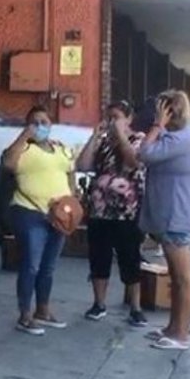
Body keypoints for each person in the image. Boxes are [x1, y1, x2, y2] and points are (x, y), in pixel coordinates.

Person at [137, 90, 190, 351]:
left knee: (182, 278)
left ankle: (181, 334)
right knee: (177, 278)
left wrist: (158, 125)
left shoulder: (180, 139)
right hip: (176, 213)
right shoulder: (187, 135)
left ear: (169, 112)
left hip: (177, 215)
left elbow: (144, 154)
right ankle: (173, 327)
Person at [2, 106, 77, 336]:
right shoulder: (23, 148)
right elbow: (8, 164)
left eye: (44, 122)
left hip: (58, 216)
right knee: (31, 264)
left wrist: (71, 200)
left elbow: (70, 173)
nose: (40, 126)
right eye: (34, 122)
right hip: (30, 211)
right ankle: (25, 314)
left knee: (48, 266)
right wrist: (25, 135)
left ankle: (42, 310)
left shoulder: (61, 149)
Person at [76, 100, 148, 327]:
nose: (112, 121)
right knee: (99, 257)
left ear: (129, 119)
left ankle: (135, 307)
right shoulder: (103, 143)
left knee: (130, 258)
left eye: (116, 117)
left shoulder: (139, 140)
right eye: (109, 117)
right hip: (100, 210)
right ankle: (99, 303)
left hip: (127, 212)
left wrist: (121, 135)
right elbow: (83, 165)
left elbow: (133, 162)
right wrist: (94, 138)